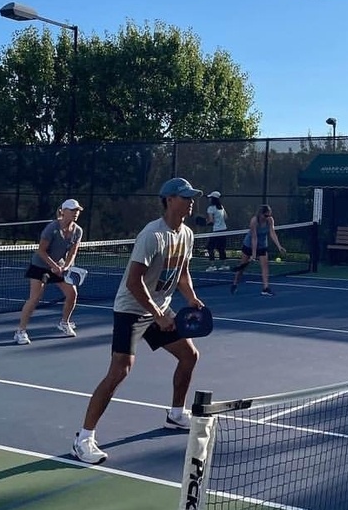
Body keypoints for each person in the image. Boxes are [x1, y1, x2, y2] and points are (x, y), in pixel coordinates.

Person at [71, 177, 206, 464]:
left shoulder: (187, 234)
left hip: (160, 307)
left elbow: (181, 272)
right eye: (185, 196)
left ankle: (176, 414)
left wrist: (191, 298)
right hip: (132, 310)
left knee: (189, 355)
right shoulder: (152, 235)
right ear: (170, 200)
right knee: (120, 370)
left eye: (192, 196)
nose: (191, 200)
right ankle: (83, 439)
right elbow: (134, 282)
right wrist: (156, 316)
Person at [14, 199, 84, 344]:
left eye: (77, 211)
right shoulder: (52, 228)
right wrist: (53, 266)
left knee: (72, 293)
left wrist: (65, 267)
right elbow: (41, 250)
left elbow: (73, 253)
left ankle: (64, 323)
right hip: (40, 266)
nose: (75, 213)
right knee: (35, 298)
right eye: (72, 210)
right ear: (63, 211)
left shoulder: (78, 231)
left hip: (59, 267)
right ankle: (20, 331)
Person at [230, 204, 285, 296]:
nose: (268, 217)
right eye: (266, 215)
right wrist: (254, 253)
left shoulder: (270, 220)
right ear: (260, 214)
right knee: (242, 267)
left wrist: (279, 246)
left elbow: (272, 232)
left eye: (269, 215)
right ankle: (235, 283)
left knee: (265, 266)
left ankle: (265, 288)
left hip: (262, 245)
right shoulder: (254, 221)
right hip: (249, 245)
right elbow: (254, 238)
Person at [205, 191, 229, 267]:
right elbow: (226, 217)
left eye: (210, 198)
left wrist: (206, 222)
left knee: (210, 247)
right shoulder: (221, 207)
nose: (209, 199)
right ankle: (224, 265)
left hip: (216, 231)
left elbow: (211, 221)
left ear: (213, 199)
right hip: (224, 230)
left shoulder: (210, 208)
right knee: (221, 248)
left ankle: (212, 266)